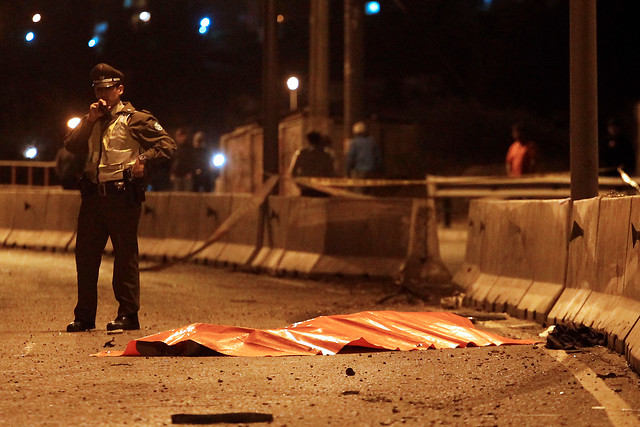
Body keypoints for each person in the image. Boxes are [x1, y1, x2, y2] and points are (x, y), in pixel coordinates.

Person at [63, 63, 176, 332]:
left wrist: (143, 159)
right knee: (86, 257)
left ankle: (128, 314)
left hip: (121, 196)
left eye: (107, 89)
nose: (102, 94)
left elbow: (167, 145)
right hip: (92, 197)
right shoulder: (91, 118)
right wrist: (89, 120)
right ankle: (84, 316)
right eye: (98, 89)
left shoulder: (135, 118)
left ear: (119, 89)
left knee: (124, 257)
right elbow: (71, 145)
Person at [290, 131, 336, 196]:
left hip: (306, 188)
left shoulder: (301, 154)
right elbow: (331, 173)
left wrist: (300, 184)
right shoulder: (326, 156)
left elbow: (293, 172)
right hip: (322, 188)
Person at [345, 121, 382, 193]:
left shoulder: (354, 142)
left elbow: (350, 158)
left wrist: (347, 171)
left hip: (358, 171)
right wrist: (379, 169)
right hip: (371, 170)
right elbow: (378, 156)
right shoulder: (372, 141)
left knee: (359, 192)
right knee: (369, 192)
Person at [169, 126, 195, 191]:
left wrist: (190, 172)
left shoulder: (189, 148)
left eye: (179, 136)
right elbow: (173, 161)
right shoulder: (176, 148)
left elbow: (192, 161)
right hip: (177, 176)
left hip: (186, 175)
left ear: (184, 136)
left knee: (187, 195)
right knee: (177, 195)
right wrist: (172, 173)